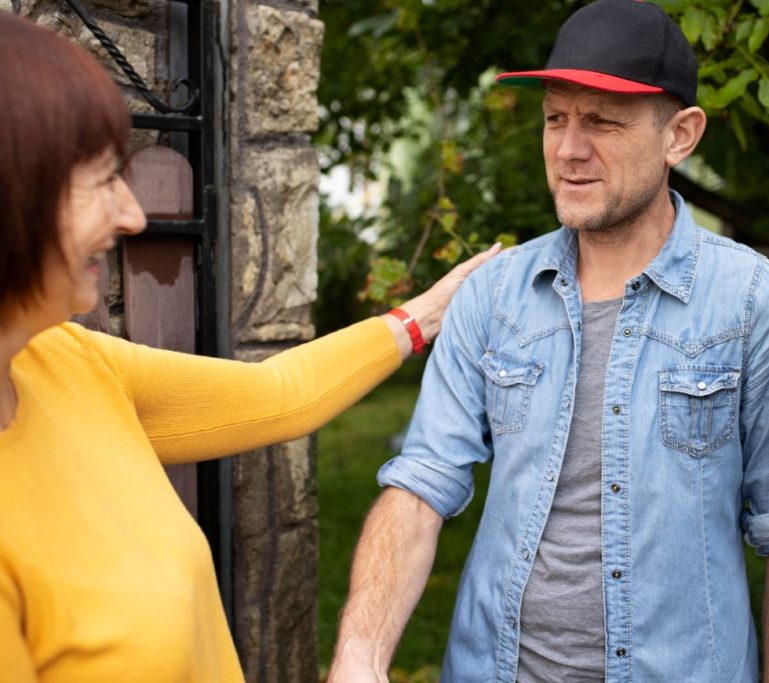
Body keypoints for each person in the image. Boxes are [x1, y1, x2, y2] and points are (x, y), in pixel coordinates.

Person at [328, 1, 769, 681]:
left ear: (681, 135)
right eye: (555, 118)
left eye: (602, 120)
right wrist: (358, 657)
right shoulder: (492, 298)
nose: (569, 149)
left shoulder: (762, 308)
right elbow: (419, 489)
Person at [0, 12, 499, 682]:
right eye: (98, 181)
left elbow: (274, 396)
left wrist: (425, 314)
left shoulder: (64, 362)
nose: (133, 215)